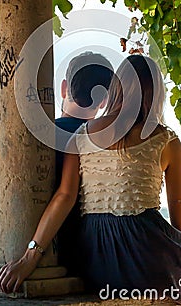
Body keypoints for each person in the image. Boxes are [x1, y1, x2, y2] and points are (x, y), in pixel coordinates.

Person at [0, 55, 181, 306]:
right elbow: (180, 211)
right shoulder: (167, 140)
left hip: (95, 252)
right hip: (148, 247)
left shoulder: (81, 135)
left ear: (116, 88)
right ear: (157, 94)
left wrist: (30, 257)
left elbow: (64, 198)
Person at [55, 52, 114, 274]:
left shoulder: (41, 136)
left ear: (64, 88)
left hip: (56, 248)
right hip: (98, 253)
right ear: (104, 100)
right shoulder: (111, 142)